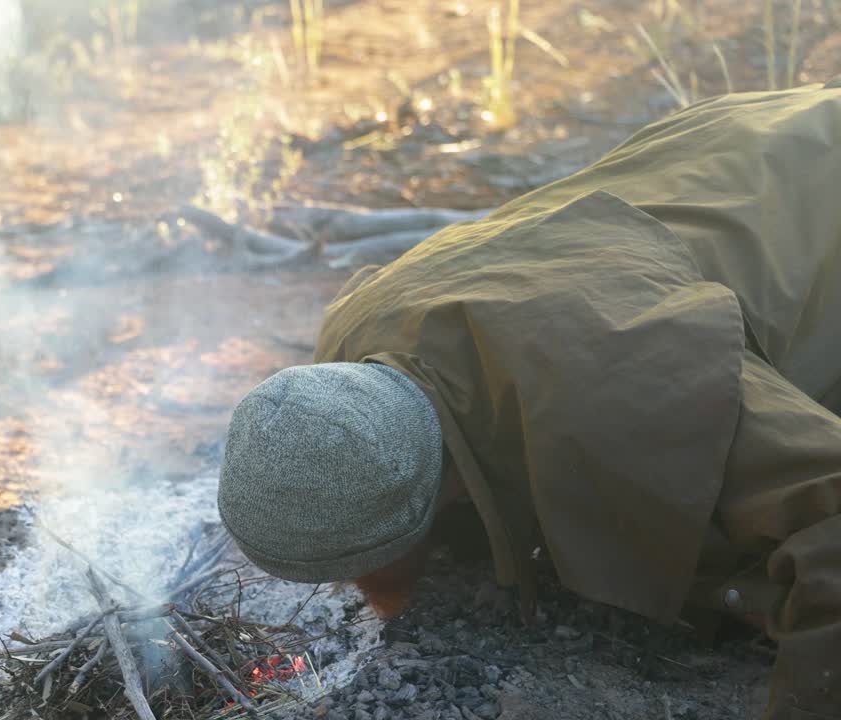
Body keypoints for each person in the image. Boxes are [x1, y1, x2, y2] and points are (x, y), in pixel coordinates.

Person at [217, 78, 841, 720]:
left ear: (436, 498)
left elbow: (832, 520)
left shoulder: (630, 385)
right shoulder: (351, 335)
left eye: (360, 566)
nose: (357, 587)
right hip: (729, 156)